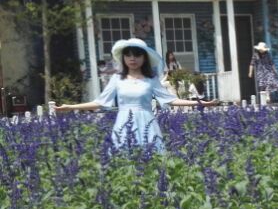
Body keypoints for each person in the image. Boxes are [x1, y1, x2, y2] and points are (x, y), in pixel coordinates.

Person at [52, 38, 212, 151]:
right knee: (123, 161)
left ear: (144, 58)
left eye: (137, 55)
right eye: (128, 55)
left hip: (147, 124)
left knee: (151, 162)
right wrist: (70, 107)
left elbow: (171, 100)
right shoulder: (117, 79)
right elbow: (100, 102)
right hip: (123, 124)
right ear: (123, 58)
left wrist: (199, 103)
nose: (132, 59)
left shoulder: (151, 80)